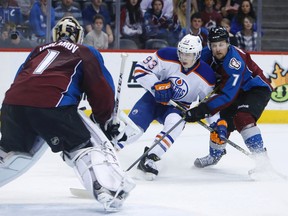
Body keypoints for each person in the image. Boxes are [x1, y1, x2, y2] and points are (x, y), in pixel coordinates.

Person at [0, 16, 135, 211]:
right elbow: (101, 88)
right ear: (79, 36)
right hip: (53, 106)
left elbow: (21, 79)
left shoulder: (39, 50)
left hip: (13, 104)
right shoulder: (85, 51)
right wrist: (104, 120)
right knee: (83, 145)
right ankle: (106, 190)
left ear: (56, 35)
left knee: (8, 152)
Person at [116, 34, 219, 180]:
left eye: (189, 54)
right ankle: (109, 150)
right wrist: (156, 86)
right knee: (133, 130)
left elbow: (208, 104)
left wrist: (216, 125)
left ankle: (150, 158)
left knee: (175, 124)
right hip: (152, 100)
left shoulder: (207, 76)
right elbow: (140, 70)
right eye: (182, 53)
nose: (184, 57)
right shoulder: (166, 55)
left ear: (197, 54)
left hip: (177, 107)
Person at [184, 26, 273, 172]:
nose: (218, 49)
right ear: (209, 46)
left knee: (242, 118)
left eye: (221, 44)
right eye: (214, 45)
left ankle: (262, 160)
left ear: (228, 43)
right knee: (221, 123)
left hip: (254, 89)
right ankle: (214, 156)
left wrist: (203, 109)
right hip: (234, 91)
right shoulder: (205, 55)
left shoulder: (234, 62)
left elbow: (227, 96)